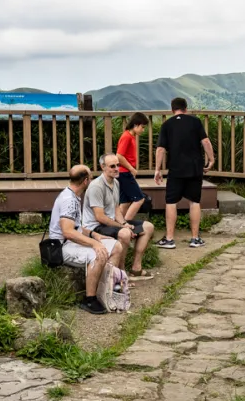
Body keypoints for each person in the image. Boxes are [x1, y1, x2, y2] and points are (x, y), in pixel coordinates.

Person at [47, 165, 118, 314]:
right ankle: (89, 299)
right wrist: (94, 244)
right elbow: (68, 232)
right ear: (86, 181)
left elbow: (77, 227)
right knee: (99, 254)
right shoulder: (69, 200)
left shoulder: (73, 195)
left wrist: (94, 235)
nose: (92, 180)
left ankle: (106, 290)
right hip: (62, 247)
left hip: (74, 242)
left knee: (116, 246)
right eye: (91, 177)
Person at [154, 97, 215, 249]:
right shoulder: (195, 121)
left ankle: (169, 239)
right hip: (195, 168)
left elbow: (160, 149)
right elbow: (206, 142)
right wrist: (211, 159)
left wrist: (157, 169)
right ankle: (195, 238)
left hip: (175, 168)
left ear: (172, 110)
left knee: (171, 202)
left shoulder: (167, 124)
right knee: (194, 201)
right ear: (186, 109)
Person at [83, 153, 155, 280]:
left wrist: (124, 223)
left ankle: (136, 269)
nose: (116, 168)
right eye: (112, 166)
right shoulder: (96, 186)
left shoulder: (116, 182)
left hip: (112, 224)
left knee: (147, 227)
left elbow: (116, 209)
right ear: (103, 167)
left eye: (118, 165)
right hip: (96, 227)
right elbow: (100, 217)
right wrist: (123, 227)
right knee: (125, 234)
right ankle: (121, 274)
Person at [115, 112, 150, 223]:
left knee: (124, 202)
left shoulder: (130, 136)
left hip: (124, 173)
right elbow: (119, 156)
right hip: (125, 173)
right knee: (139, 199)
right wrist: (131, 168)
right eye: (142, 127)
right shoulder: (126, 137)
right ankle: (126, 225)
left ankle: (117, 225)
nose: (143, 130)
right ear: (135, 125)